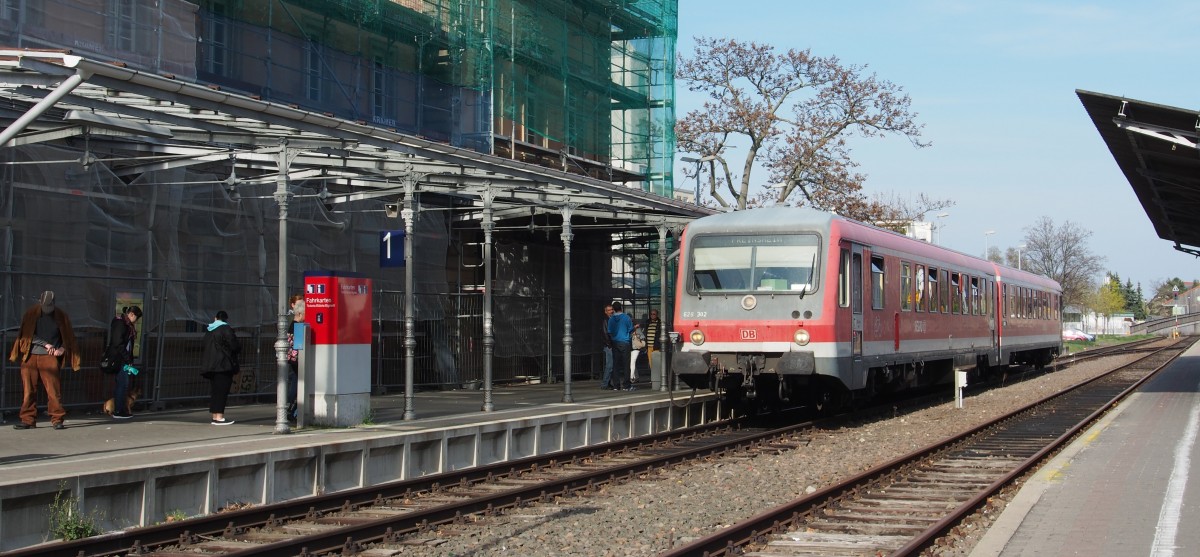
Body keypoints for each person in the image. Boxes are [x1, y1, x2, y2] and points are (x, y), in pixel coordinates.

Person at [9, 291, 80, 430]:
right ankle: (28, 419)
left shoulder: (61, 315)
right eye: (44, 306)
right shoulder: (31, 313)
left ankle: (57, 419)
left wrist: (62, 349)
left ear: (54, 303)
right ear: (40, 302)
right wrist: (46, 344)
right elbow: (27, 333)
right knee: (28, 390)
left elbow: (69, 336)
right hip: (30, 355)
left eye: (50, 307)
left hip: (50, 357)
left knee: (53, 390)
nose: (47, 310)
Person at [200, 310, 241, 425]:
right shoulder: (226, 329)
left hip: (211, 365)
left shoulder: (209, 330)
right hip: (223, 365)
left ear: (215, 318)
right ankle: (219, 417)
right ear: (226, 319)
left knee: (215, 391)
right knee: (222, 391)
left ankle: (214, 415)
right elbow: (234, 346)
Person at [104, 306, 142, 419]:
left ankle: (119, 409)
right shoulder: (121, 324)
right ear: (131, 314)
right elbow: (118, 343)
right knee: (122, 384)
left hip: (122, 358)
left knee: (122, 384)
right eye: (136, 318)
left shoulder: (125, 324)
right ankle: (119, 410)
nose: (136, 321)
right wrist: (127, 359)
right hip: (119, 358)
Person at [607, 301, 634, 391]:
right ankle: (626, 385)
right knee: (626, 365)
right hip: (625, 343)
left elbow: (609, 332)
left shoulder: (611, 319)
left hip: (615, 343)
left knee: (616, 365)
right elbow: (631, 330)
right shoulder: (626, 318)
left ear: (613, 309)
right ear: (621, 307)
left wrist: (614, 338)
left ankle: (616, 385)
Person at [286, 294, 305, 422]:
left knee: (295, 381)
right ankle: (293, 409)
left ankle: (292, 408)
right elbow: (299, 345)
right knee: (298, 383)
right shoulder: (298, 326)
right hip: (297, 360)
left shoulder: (293, 324)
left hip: (293, 359)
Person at [641, 309, 663, 378]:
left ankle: (658, 376)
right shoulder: (648, 322)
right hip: (649, 346)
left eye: (654, 314)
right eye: (651, 314)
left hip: (656, 346)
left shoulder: (660, 323)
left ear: (657, 315)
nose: (652, 316)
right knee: (651, 363)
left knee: (657, 362)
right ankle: (654, 376)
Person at [599, 304, 615, 389]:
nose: (611, 311)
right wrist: (609, 344)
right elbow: (605, 333)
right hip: (609, 346)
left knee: (610, 365)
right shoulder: (606, 320)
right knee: (609, 365)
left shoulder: (610, 319)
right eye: (609, 310)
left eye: (612, 309)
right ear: (605, 312)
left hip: (610, 345)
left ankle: (607, 383)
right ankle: (605, 384)